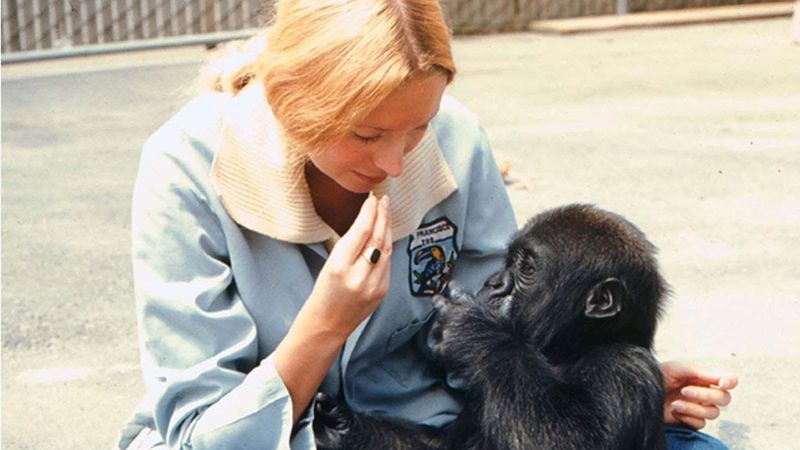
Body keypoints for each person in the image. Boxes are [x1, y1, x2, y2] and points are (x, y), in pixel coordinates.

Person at [117, 1, 737, 449]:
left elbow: (508, 330)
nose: (394, 163)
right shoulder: (185, 164)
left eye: (419, 127)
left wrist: (603, 396)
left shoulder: (456, 138)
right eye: (366, 134)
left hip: (436, 430)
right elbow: (206, 437)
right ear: (292, 104)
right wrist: (326, 324)